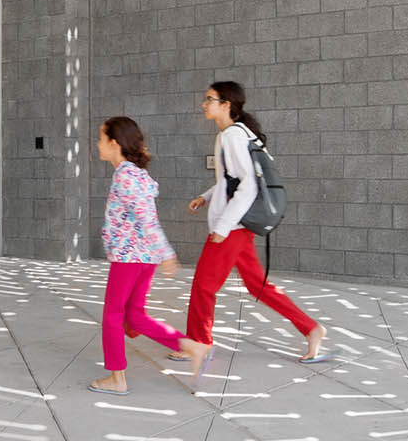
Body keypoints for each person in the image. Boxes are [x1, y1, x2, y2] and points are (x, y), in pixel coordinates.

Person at [185, 82, 327, 364]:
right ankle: (311, 328)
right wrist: (205, 197)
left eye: (209, 99)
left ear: (226, 104)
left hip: (233, 228)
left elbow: (248, 185)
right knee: (258, 287)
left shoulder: (233, 136)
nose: (204, 104)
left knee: (204, 286)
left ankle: (200, 343)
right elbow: (231, 180)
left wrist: (223, 227)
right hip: (239, 226)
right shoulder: (234, 133)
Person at [88, 115, 206, 396]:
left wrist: (166, 253)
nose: (97, 144)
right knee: (135, 315)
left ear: (114, 143)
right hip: (143, 259)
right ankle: (190, 346)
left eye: (101, 139)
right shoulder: (134, 174)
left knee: (112, 316)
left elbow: (147, 220)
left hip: (130, 259)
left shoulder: (126, 176)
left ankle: (117, 378)